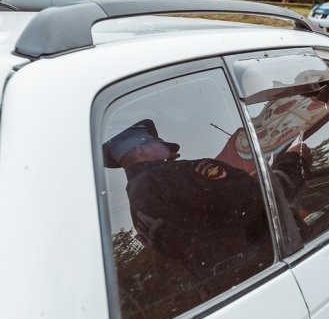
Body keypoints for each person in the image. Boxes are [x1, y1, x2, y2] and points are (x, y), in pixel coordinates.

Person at [103, 119, 273, 284]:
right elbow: (255, 197)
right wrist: (292, 163)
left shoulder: (138, 201)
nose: (166, 147)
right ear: (142, 151)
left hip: (219, 283)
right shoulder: (171, 176)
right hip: (260, 267)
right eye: (159, 142)